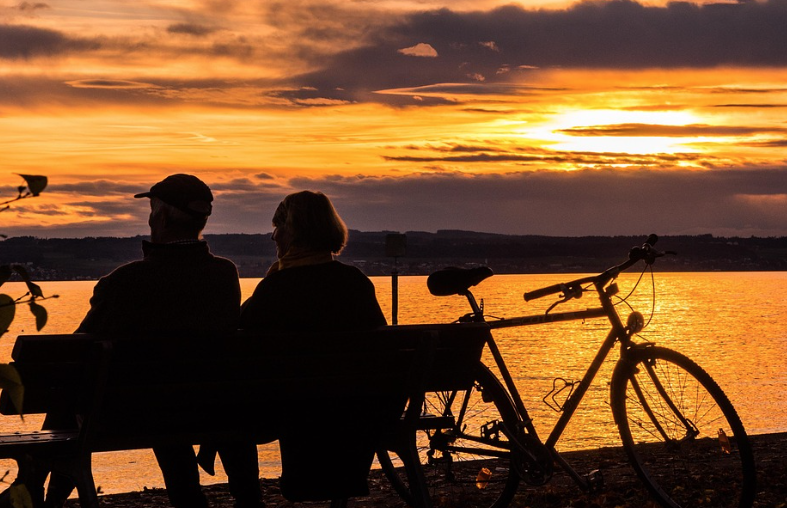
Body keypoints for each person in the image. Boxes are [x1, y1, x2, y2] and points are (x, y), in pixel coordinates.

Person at [42, 174, 262, 508]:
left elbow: (77, 350)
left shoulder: (126, 281)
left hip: (138, 414)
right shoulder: (224, 275)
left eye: (152, 210)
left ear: (160, 217)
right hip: (210, 408)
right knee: (168, 395)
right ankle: (233, 499)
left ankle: (44, 496)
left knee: (73, 393)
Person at [239, 191, 388, 501]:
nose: (273, 236)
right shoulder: (356, 282)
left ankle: (248, 500)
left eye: (278, 226)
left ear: (294, 232)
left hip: (295, 409)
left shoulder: (276, 288)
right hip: (357, 408)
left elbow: (241, 332)